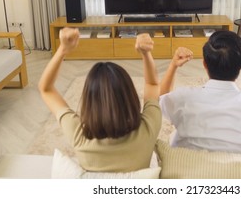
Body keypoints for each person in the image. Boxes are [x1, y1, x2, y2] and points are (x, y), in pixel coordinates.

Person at [38, 28, 161, 172]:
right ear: (130, 97)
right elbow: (152, 84)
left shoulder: (79, 135)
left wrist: (62, 49)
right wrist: (146, 54)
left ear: (89, 103)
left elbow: (46, 89)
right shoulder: (148, 129)